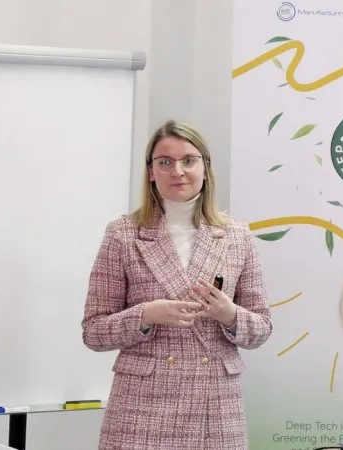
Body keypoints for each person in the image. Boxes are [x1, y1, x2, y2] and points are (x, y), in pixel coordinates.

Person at [81, 119, 273, 449]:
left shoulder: (236, 236)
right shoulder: (123, 234)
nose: (178, 171)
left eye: (189, 160)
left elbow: (262, 329)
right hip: (140, 411)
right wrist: (146, 315)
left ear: (206, 168)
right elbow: (93, 332)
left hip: (215, 409)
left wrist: (229, 315)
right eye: (165, 162)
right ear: (151, 172)